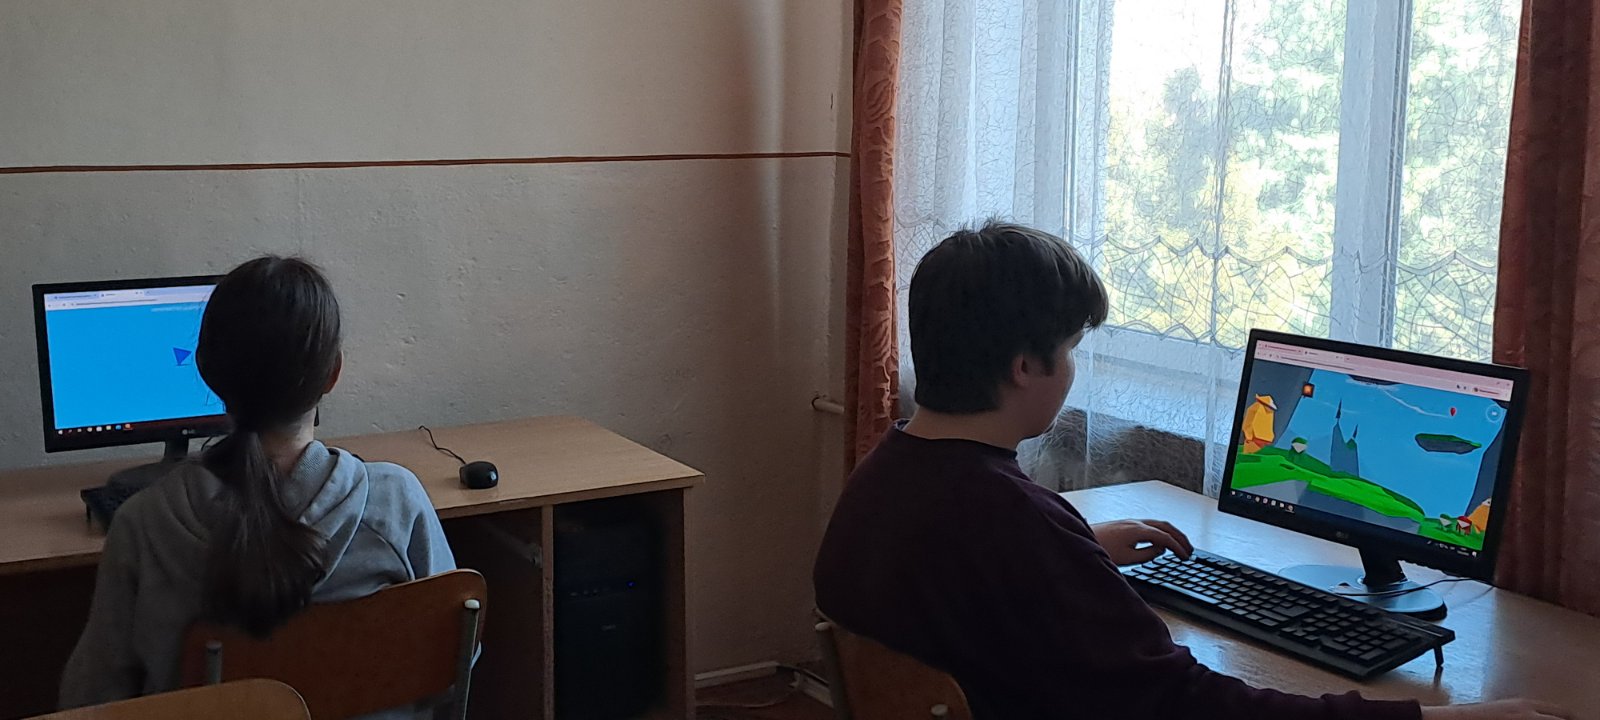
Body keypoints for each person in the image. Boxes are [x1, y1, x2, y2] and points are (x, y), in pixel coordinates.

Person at [813, 221, 1569, 720]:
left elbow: (971, 573)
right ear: (1023, 367)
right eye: (1072, 349)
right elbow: (1194, 708)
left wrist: (1077, 549)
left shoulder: (883, 478)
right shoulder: (1012, 527)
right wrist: (1441, 717)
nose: (1073, 369)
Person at [60, 257, 455, 715]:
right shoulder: (397, 503)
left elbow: (92, 700)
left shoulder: (142, 525)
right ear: (333, 373)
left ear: (204, 370)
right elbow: (454, 659)